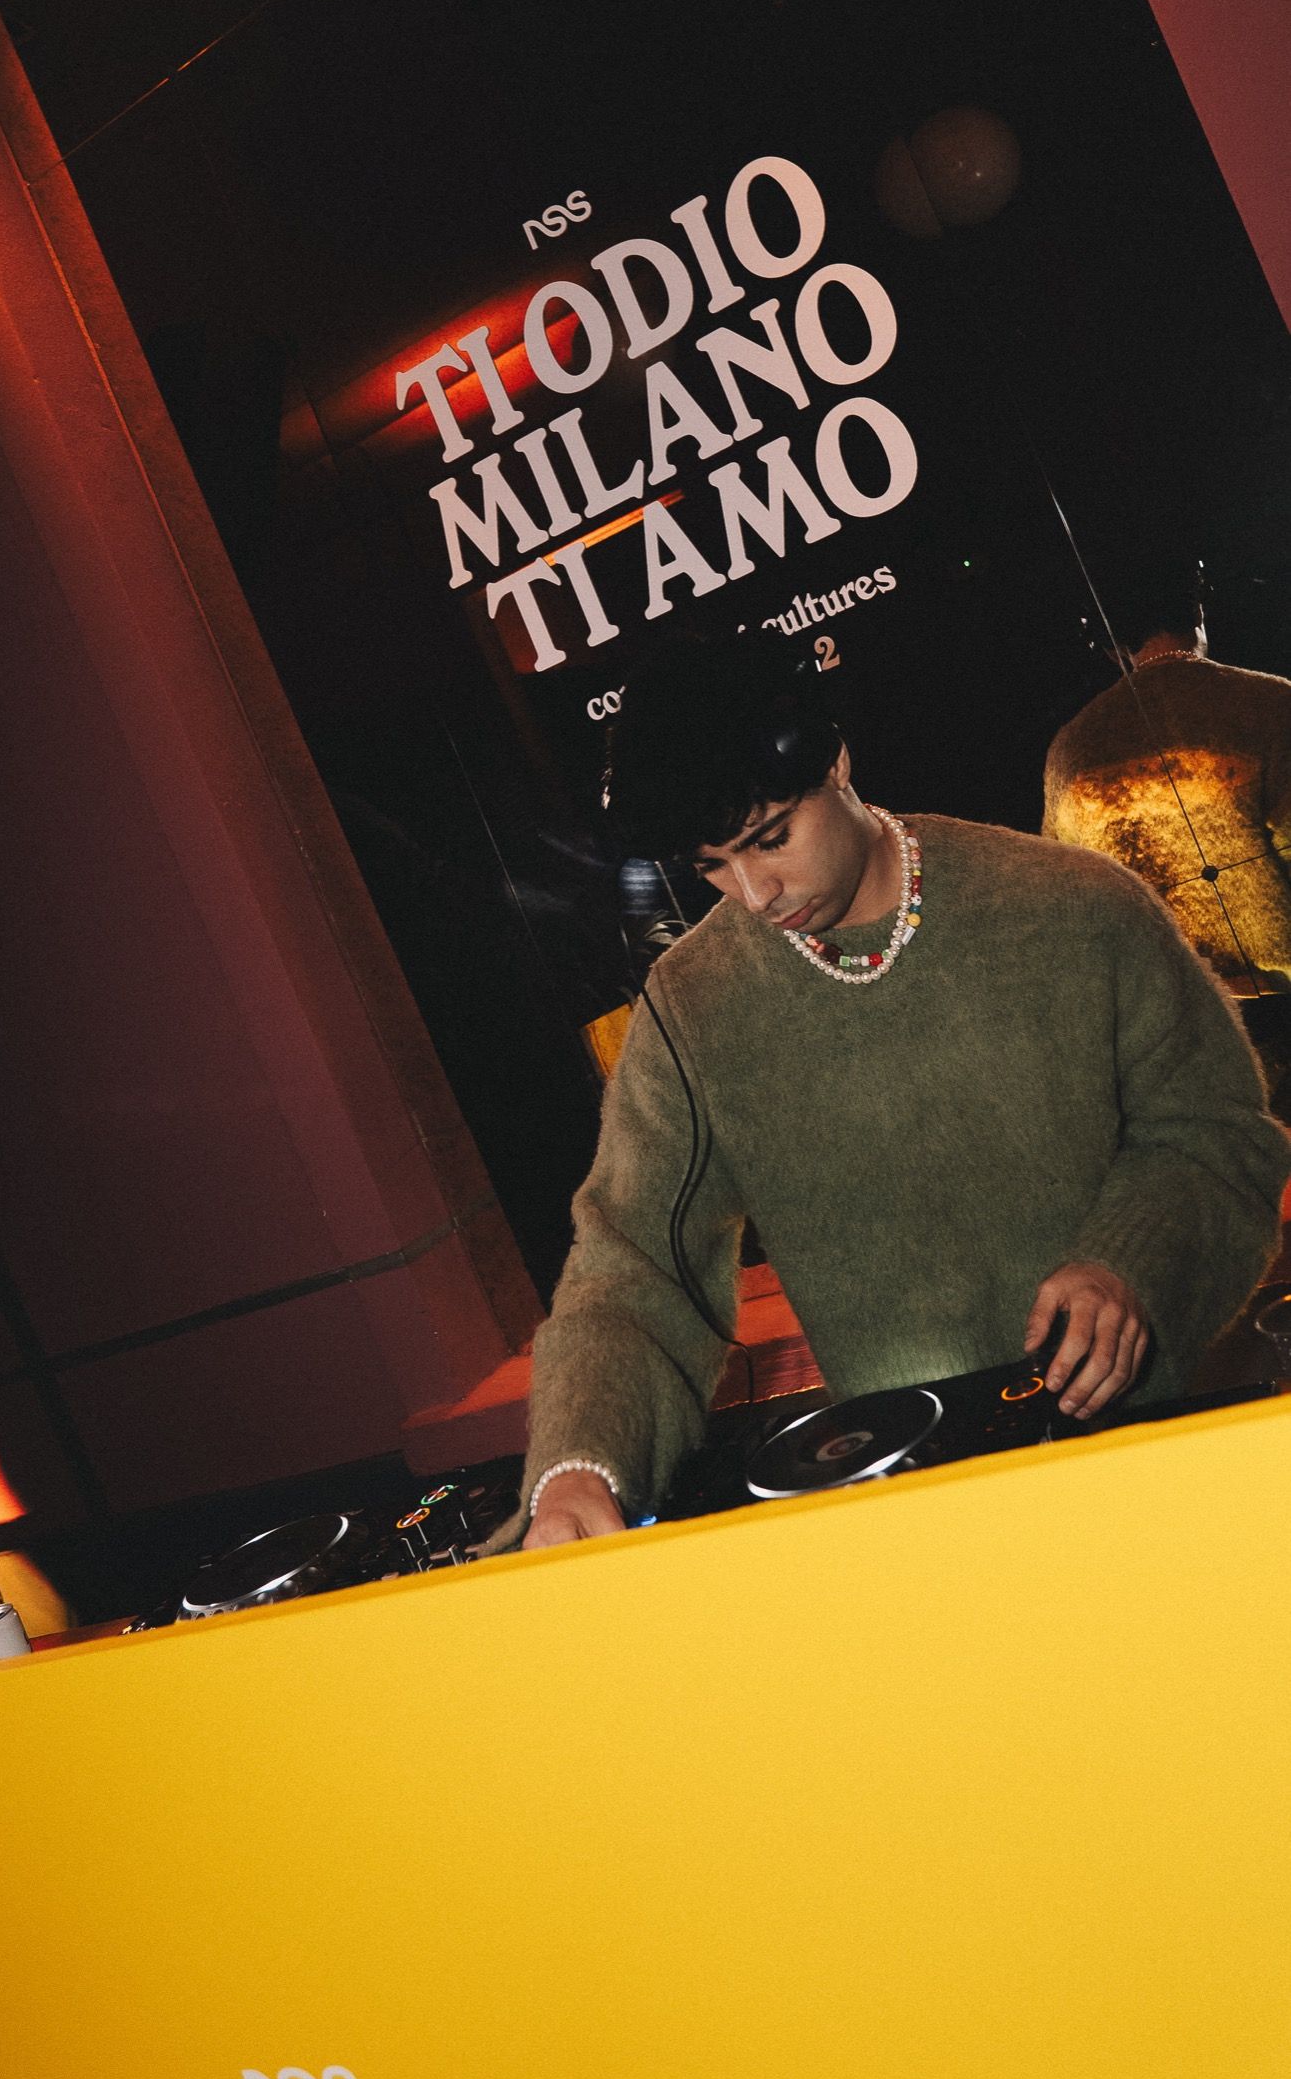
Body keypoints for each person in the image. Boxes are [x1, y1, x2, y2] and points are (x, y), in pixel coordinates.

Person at [515, 633, 1290, 1551]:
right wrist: (578, 1466)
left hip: (1157, 1466)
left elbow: (1214, 1133)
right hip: (917, 1519)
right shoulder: (690, 1008)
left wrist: (1129, 1261)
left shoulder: (1072, 906)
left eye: (771, 838)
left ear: (835, 763)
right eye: (711, 865)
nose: (755, 892)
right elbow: (632, 1266)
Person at [1044, 559, 1291, 1115]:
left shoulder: (1070, 750)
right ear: (1197, 612)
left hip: (1171, 1037)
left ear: (1111, 647)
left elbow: (1075, 908)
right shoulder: (1271, 705)